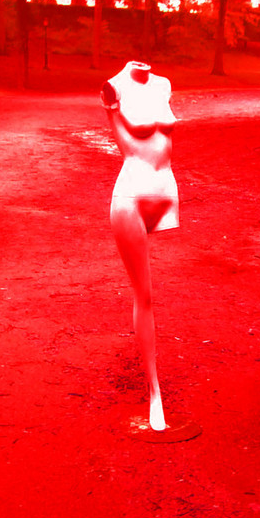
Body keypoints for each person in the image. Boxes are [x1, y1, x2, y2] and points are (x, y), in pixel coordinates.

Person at [101, 61, 178, 432]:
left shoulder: (163, 84)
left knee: (156, 291)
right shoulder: (113, 87)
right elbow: (124, 144)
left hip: (166, 191)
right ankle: (154, 391)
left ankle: (155, 389)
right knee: (144, 294)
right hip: (131, 195)